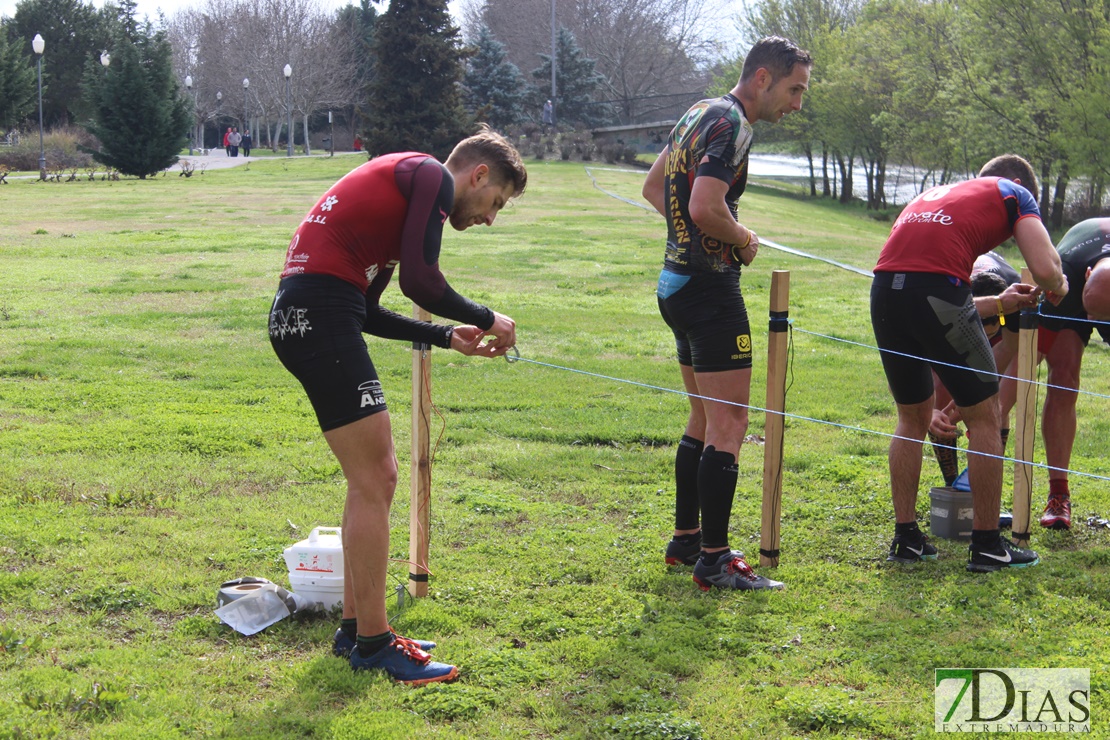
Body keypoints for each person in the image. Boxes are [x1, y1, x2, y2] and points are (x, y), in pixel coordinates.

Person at [269, 126, 526, 683]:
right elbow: (422, 282)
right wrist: (488, 317)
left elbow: (369, 308)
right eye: (496, 202)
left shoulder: (403, 192)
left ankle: (353, 629)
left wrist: (443, 336)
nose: (489, 218)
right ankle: (375, 645)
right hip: (319, 314)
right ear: (478, 175)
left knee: (367, 479)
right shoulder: (430, 177)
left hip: (304, 313)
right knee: (378, 478)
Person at [641, 36, 813, 591]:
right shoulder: (733, 125)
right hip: (710, 292)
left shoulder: (698, 112)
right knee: (731, 423)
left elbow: (652, 187)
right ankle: (715, 561)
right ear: (763, 78)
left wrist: (693, 237)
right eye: (794, 89)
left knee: (703, 418)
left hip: (675, 284)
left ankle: (687, 539)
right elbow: (703, 206)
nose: (796, 104)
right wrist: (740, 239)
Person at [870, 154, 1068, 573]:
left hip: (884, 289)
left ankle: (906, 539)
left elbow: (913, 268)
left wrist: (998, 301)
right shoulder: (1014, 193)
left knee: (910, 417)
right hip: (936, 287)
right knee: (985, 416)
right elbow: (1046, 268)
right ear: (1016, 181)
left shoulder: (934, 195)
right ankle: (987, 544)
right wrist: (1059, 283)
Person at [1032, 218, 1110, 529]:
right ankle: (1058, 496)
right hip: (1070, 287)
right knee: (1063, 379)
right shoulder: (1064, 274)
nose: (1092, 322)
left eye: (1099, 318)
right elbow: (1026, 363)